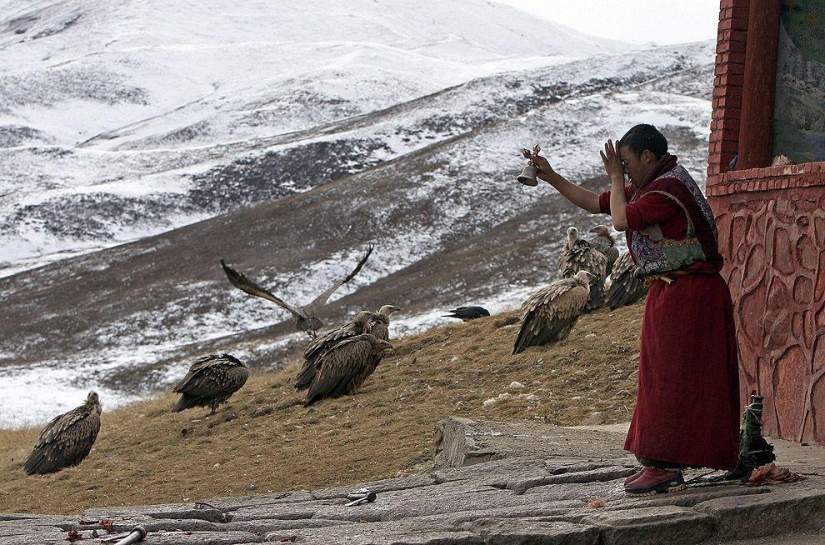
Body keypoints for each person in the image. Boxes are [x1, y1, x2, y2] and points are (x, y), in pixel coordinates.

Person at [522, 124, 740, 497]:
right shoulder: (652, 184)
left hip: (689, 293)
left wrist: (613, 177)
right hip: (674, 289)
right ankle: (664, 460)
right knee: (667, 375)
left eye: (626, 162)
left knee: (671, 378)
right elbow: (596, 203)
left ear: (647, 158)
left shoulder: (667, 189)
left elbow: (620, 220)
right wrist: (550, 175)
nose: (622, 170)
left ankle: (664, 464)